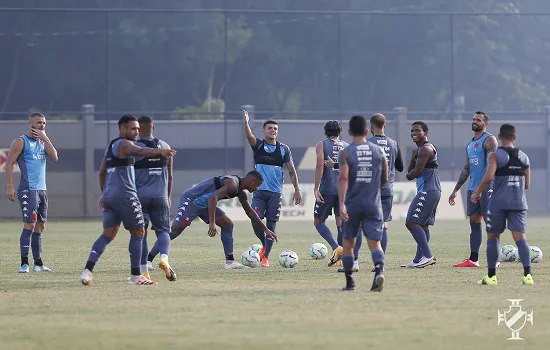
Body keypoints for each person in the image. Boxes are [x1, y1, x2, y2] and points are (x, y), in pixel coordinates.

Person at [80, 115, 176, 286]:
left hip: (110, 197)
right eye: (133, 128)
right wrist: (159, 151)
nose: (137, 131)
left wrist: (105, 193)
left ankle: (87, 271)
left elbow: (102, 172)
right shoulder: (126, 144)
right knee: (139, 233)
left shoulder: (110, 146)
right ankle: (136, 276)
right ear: (123, 128)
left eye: (138, 129)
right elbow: (139, 151)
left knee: (107, 234)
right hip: (126, 196)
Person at [147, 171, 277, 269]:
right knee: (176, 230)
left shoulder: (240, 192)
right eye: (258, 185)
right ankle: (147, 260)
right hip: (192, 200)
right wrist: (212, 223)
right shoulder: (232, 184)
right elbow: (213, 198)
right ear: (252, 181)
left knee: (227, 224)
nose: (257, 189)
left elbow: (250, 212)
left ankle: (229, 262)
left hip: (204, 205)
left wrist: (265, 230)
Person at [472, 123, 533, 285]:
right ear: (515, 137)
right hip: (519, 203)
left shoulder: (495, 155)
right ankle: (528, 275)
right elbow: (527, 185)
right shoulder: (525, 157)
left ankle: (491, 277)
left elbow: (489, 177)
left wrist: (477, 192)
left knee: (493, 236)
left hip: (498, 202)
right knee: (520, 238)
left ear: (499, 137)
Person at [244, 110, 301, 267]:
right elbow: (249, 136)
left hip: (275, 194)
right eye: (269, 128)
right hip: (259, 192)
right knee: (255, 221)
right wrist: (246, 124)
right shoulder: (259, 145)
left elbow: (291, 170)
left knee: (271, 225)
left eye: (275, 129)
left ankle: (265, 258)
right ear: (263, 131)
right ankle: (264, 244)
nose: (273, 130)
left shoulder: (283, 149)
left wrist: (297, 188)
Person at [338, 115, 388, 292]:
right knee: (375, 244)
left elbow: (343, 177)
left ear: (350, 132)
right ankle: (379, 272)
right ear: (367, 131)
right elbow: (385, 178)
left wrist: (342, 203)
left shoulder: (345, 152)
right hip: (373, 204)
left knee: (348, 243)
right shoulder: (379, 151)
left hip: (352, 204)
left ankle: (350, 282)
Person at [5, 112, 58, 273]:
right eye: (39, 123)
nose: (42, 125)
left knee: (40, 225)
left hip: (42, 189)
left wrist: (46, 138)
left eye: (44, 123)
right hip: (28, 189)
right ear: (30, 124)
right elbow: (9, 164)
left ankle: (38, 263)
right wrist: (10, 186)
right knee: (30, 223)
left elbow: (54, 157)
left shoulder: (43, 142)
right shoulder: (21, 141)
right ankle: (24, 263)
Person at [449, 111, 498, 268]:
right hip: (472, 188)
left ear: (486, 123)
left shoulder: (489, 140)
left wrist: (481, 188)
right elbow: (466, 169)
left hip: (487, 187)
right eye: (473, 119)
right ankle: (473, 259)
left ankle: (494, 259)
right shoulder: (470, 144)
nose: (475, 121)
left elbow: (491, 166)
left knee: (489, 222)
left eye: (478, 120)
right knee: (474, 222)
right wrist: (456, 190)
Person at [134, 116, 175, 281]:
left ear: (138, 129)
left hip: (140, 197)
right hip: (161, 196)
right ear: (153, 127)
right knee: (163, 231)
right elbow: (170, 175)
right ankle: (164, 258)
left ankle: (144, 270)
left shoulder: (134, 148)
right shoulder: (165, 146)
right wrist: (169, 196)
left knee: (140, 233)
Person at [401, 121, 440, 268]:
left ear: (425, 133)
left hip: (428, 191)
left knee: (411, 222)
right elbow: (411, 169)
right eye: (412, 131)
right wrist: (413, 156)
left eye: (418, 130)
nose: (414, 133)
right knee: (423, 226)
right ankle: (418, 259)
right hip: (432, 190)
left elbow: (414, 173)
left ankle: (428, 256)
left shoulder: (426, 149)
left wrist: (409, 175)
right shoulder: (420, 150)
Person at [313, 120, 348, 268]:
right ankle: (341, 258)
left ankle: (336, 247)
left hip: (327, 189)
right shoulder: (347, 146)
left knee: (318, 222)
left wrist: (316, 188)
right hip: (343, 190)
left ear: (325, 131)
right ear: (340, 132)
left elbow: (320, 166)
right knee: (339, 222)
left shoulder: (321, 144)